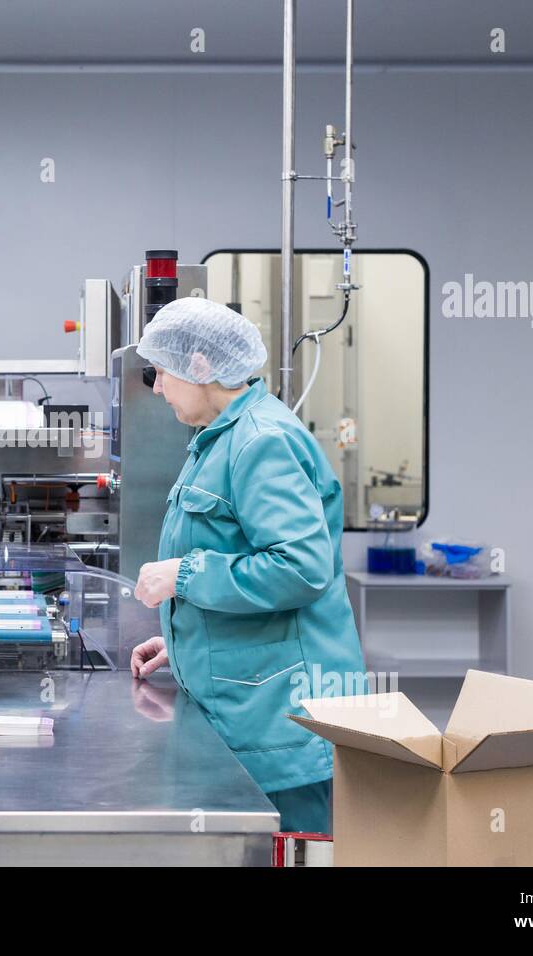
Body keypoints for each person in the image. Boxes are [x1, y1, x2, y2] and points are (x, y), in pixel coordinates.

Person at [129, 297, 366, 834]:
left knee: (291, 847)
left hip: (284, 718)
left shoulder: (263, 442)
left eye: (162, 371)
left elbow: (300, 569)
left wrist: (182, 575)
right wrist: (186, 639)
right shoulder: (215, 440)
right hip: (249, 702)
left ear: (201, 366)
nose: (157, 386)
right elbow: (243, 556)